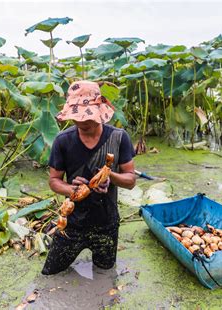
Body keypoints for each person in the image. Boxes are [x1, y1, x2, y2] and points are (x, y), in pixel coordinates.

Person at [41, 80, 136, 275]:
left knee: (105, 276)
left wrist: (109, 176)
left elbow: (131, 180)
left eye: (87, 118)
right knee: (50, 274)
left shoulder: (119, 138)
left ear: (99, 111)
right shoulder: (63, 141)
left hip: (106, 223)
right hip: (72, 224)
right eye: (77, 118)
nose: (82, 122)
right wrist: (71, 189)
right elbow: (54, 180)